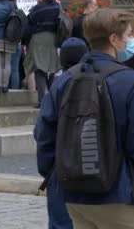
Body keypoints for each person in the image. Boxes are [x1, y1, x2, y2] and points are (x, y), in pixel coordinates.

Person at [35, 8, 134, 229]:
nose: (132, 41)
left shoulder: (65, 79)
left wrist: (57, 177)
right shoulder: (131, 82)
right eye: (129, 35)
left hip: (75, 195)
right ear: (114, 39)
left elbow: (44, 135)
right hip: (121, 196)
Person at [45, 37, 88, 229]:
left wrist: (47, 167)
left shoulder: (58, 82)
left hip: (61, 165)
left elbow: (44, 130)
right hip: (92, 161)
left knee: (61, 222)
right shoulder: (98, 78)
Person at [25, 0, 61, 107]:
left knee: (39, 69)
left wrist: (38, 5)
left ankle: (41, 100)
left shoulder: (38, 8)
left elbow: (29, 21)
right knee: (51, 68)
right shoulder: (57, 7)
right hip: (52, 39)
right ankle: (51, 99)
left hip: (38, 39)